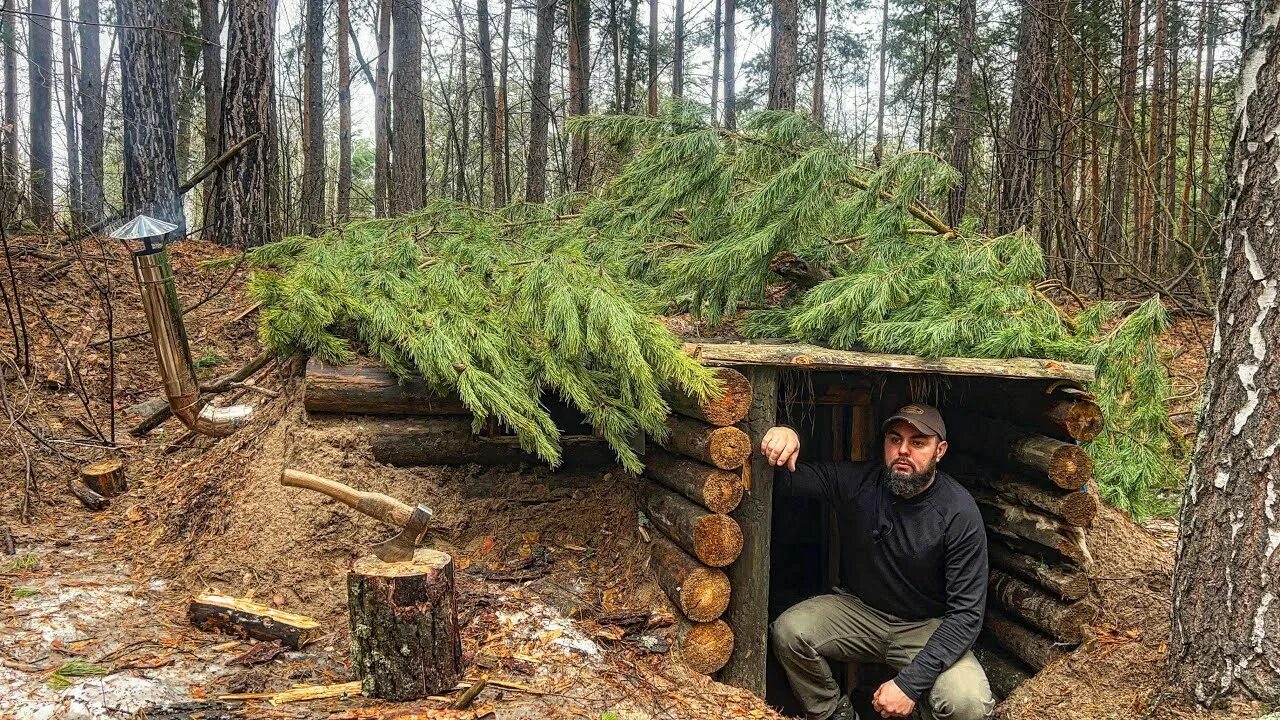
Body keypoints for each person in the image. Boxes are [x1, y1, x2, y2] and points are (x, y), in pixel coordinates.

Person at [762, 403, 994, 720]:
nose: (902, 451)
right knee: (790, 632)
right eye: (894, 439)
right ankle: (836, 715)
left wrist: (909, 685)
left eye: (918, 443)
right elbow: (787, 481)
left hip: (924, 627)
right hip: (861, 611)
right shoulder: (858, 481)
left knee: (967, 702)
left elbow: (966, 615)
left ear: (939, 451)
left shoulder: (958, 512)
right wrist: (782, 436)